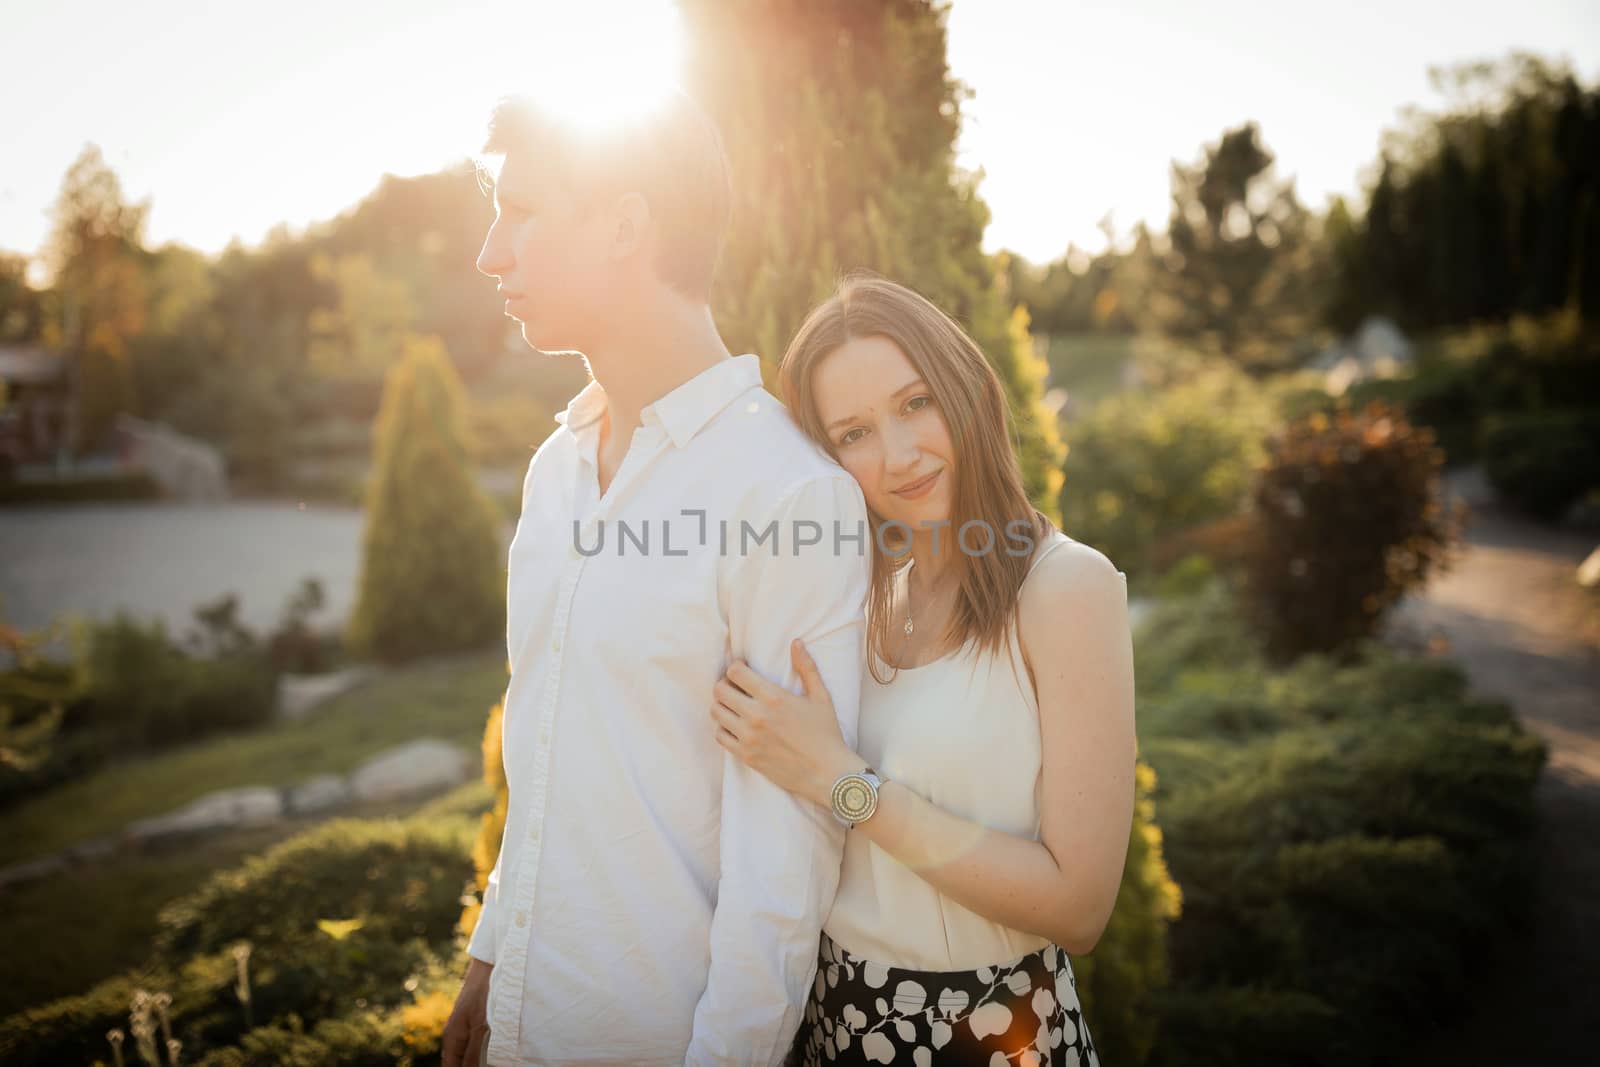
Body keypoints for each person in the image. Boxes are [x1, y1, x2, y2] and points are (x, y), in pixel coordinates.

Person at [442, 89, 872, 1067]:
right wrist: (489, 955)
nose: (490, 252)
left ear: (625, 225)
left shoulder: (786, 491)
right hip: (518, 1021)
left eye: (523, 210)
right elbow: (548, 742)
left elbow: (785, 865)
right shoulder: (555, 469)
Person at [708, 274, 1135, 1064]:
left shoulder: (1064, 587)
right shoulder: (858, 604)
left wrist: (843, 780)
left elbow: (1080, 905)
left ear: (963, 390)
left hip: (986, 1033)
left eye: (914, 404)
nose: (899, 455)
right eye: (853, 433)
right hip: (829, 1021)